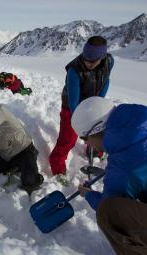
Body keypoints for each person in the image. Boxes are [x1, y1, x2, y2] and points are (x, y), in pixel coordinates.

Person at [72, 96, 147, 255]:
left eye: (84, 138)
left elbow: (109, 202)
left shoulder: (123, 166)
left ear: (96, 131)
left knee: (110, 213)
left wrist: (89, 195)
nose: (86, 143)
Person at [49, 36, 114, 183]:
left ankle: (94, 150)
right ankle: (57, 167)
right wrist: (82, 126)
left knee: (98, 132)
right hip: (72, 109)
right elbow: (74, 103)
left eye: (92, 61)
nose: (88, 63)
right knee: (68, 140)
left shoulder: (109, 62)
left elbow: (106, 80)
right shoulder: (74, 71)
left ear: (102, 58)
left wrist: (98, 103)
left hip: (92, 104)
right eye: (85, 59)